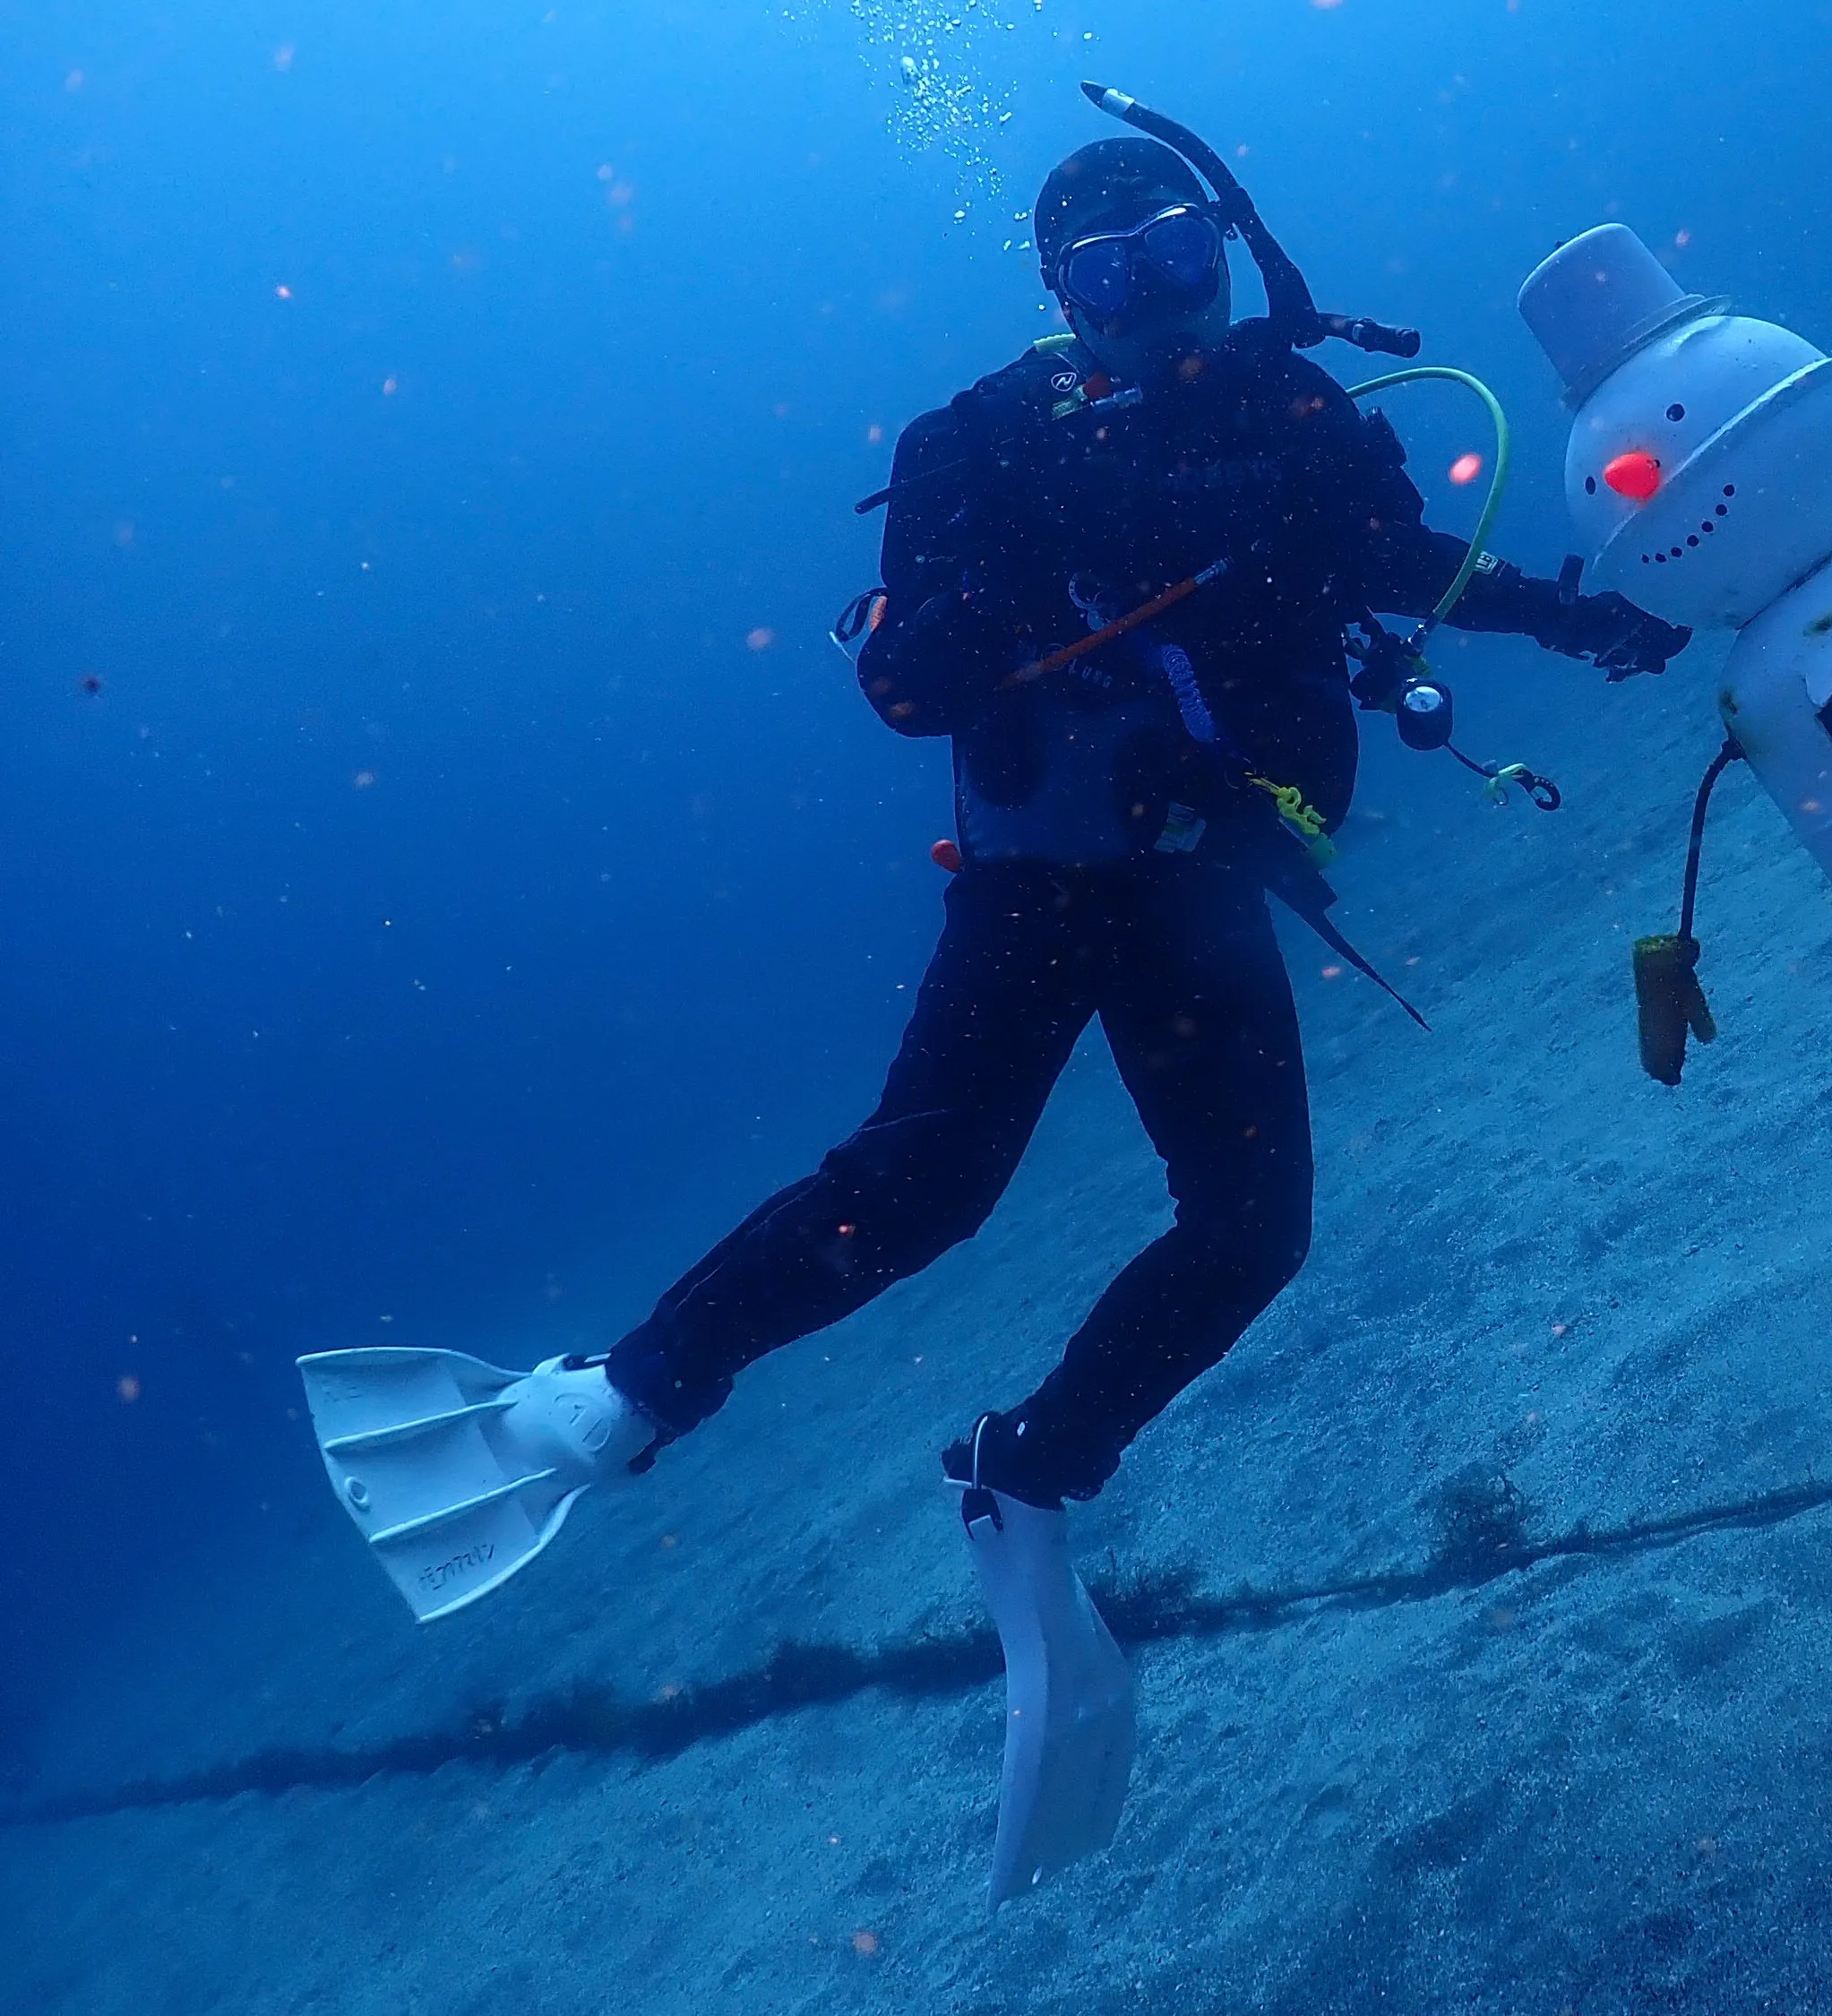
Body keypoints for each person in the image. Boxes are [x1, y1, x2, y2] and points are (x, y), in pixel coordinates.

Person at [292, 87, 1687, 1898]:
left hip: (1193, 888)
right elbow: (909, 689)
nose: (1152, 300)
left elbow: (1393, 564)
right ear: (1055, 290)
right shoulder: (979, 438)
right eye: (1109, 274)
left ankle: (1026, 1470)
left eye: (1178, 257)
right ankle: (602, 1405)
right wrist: (1017, 567)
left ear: (1219, 255)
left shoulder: (1288, 403)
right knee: (930, 1177)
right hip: (1042, 887)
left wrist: (1571, 618)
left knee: (1250, 1227)